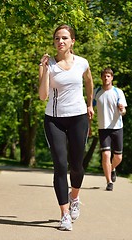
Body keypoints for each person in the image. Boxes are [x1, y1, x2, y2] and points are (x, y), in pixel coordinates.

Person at [38, 24, 94, 231]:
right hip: (54, 120)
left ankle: (75, 197)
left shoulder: (82, 63)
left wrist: (90, 104)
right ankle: (64, 215)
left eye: (64, 38)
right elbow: (43, 96)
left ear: (72, 41)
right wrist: (43, 70)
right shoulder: (48, 64)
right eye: (56, 39)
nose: (60, 42)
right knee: (61, 166)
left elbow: (89, 82)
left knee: (77, 165)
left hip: (78, 118)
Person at [93, 68, 127, 191]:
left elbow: (123, 111)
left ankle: (112, 168)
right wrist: (88, 126)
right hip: (103, 128)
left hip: (117, 128)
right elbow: (90, 109)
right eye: (104, 76)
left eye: (108, 76)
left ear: (112, 78)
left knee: (118, 157)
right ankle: (109, 182)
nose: (106, 78)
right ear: (101, 77)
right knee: (106, 155)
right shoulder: (96, 92)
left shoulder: (118, 92)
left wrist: (122, 109)